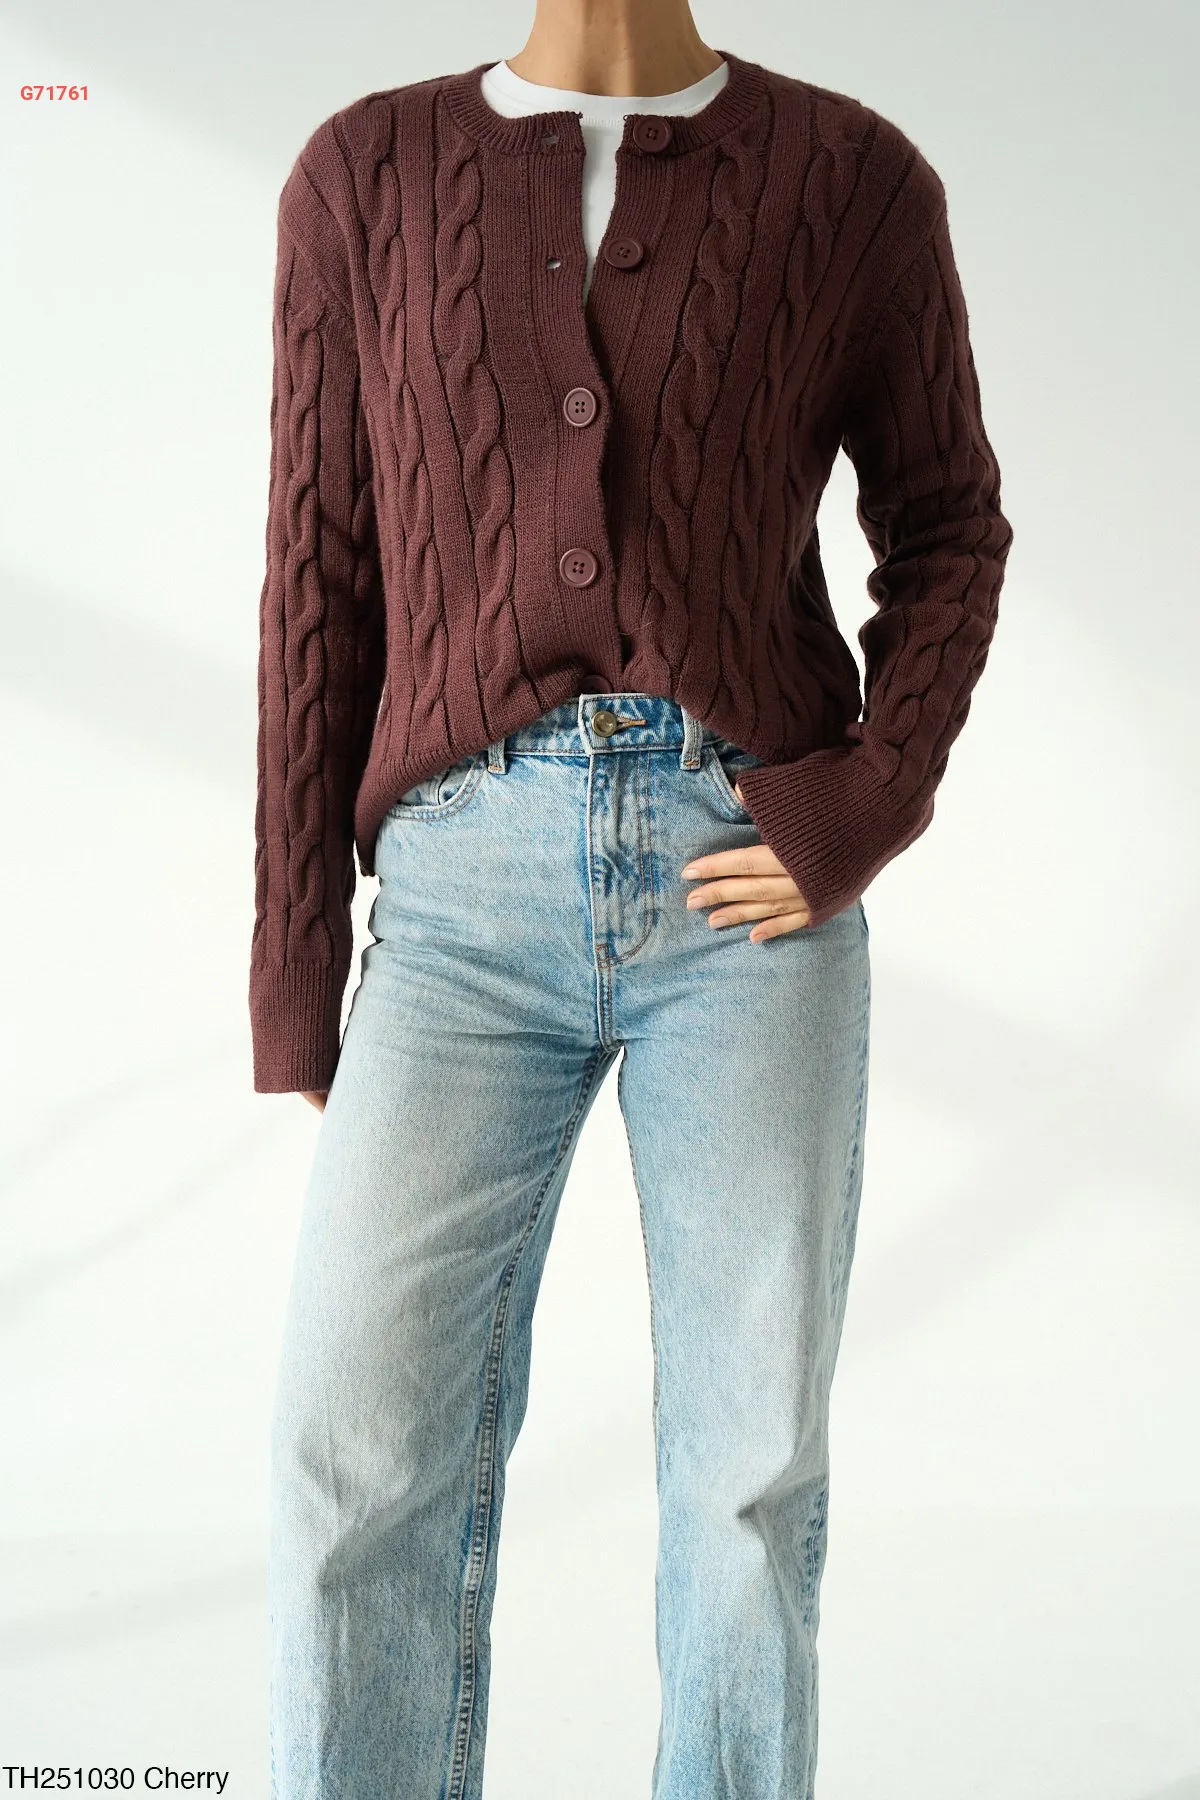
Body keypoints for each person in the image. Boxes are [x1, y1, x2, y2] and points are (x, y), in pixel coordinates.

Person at [248, 0, 1012, 1792]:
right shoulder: (362, 172)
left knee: (746, 1484)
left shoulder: (853, 178)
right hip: (457, 903)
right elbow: (319, 567)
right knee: (352, 1462)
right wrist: (295, 950)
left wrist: (864, 800)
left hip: (746, 890)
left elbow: (948, 527)